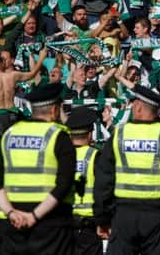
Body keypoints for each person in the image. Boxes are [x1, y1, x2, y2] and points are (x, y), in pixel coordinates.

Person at [93, 85, 160, 255]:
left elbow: (104, 179)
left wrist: (102, 217)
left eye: (133, 104)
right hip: (158, 215)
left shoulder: (119, 134)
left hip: (124, 214)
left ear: (139, 106)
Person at [0, 83, 76, 255]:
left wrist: (11, 213)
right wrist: (33, 216)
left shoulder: (10, 133)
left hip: (13, 224)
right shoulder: (59, 136)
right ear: (54, 110)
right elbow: (63, 184)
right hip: (50, 226)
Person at [66, 107, 102, 255]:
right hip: (87, 225)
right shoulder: (96, 156)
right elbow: (103, 191)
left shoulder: (58, 155)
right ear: (90, 133)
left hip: (63, 224)